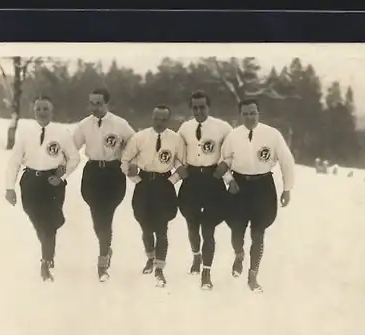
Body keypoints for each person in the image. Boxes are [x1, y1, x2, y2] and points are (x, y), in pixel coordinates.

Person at [219, 97, 295, 293]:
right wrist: (229, 180)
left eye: (253, 113)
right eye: (245, 113)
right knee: (237, 230)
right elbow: (223, 161)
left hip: (263, 187)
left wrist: (287, 188)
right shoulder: (233, 136)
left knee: (258, 233)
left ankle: (253, 275)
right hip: (239, 186)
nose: (249, 117)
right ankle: (239, 254)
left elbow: (287, 161)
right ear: (240, 115)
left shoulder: (272, 135)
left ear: (258, 113)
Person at [5, 95, 81, 282]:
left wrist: (61, 176)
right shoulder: (25, 132)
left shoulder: (62, 133)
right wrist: (9, 187)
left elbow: (74, 158)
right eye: (38, 108)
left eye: (45, 108)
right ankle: (50, 244)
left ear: (52, 110)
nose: (42, 112)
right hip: (30, 180)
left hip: (52, 183)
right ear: (34, 110)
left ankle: (45, 261)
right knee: (36, 217)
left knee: (47, 224)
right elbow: (14, 160)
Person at [73, 88, 136, 282]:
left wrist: (128, 160)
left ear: (107, 104)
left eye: (99, 103)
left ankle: (102, 264)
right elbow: (71, 145)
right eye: (92, 103)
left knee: (105, 216)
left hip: (113, 174)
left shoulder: (119, 124)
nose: (95, 107)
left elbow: (134, 143)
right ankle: (106, 247)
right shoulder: (84, 125)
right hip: (92, 173)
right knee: (96, 217)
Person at [121, 105, 185, 287]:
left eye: (164, 119)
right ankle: (150, 257)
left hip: (164, 185)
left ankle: (160, 269)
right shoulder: (139, 137)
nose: (159, 123)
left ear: (168, 120)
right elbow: (125, 161)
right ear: (152, 117)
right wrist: (135, 177)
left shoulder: (175, 139)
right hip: (144, 184)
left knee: (162, 229)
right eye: (157, 119)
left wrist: (172, 180)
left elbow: (182, 163)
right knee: (146, 227)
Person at [177, 90, 234, 290]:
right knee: (192, 226)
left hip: (213, 181)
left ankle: (206, 273)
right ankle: (196, 256)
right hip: (191, 181)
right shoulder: (184, 128)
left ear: (209, 107)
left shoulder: (223, 128)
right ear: (191, 108)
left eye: (202, 107)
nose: (199, 111)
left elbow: (231, 153)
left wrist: (224, 170)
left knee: (208, 230)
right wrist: (180, 169)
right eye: (195, 107)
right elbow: (176, 152)